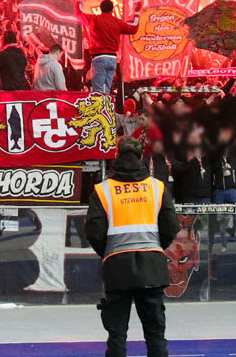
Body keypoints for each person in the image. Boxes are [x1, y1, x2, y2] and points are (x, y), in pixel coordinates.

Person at [85, 137, 178, 357]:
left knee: (117, 334)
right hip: (152, 266)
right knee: (155, 333)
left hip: (117, 266)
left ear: (117, 155)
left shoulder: (102, 190)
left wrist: (109, 253)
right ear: (141, 156)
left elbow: (94, 232)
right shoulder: (157, 187)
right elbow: (171, 226)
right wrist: (155, 246)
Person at [86, 0, 138, 95]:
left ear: (100, 8)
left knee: (98, 91)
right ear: (112, 10)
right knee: (106, 90)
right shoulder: (117, 22)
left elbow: (78, 14)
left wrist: (78, 3)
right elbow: (133, 28)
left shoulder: (94, 19)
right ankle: (107, 108)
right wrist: (137, 14)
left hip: (99, 58)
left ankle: (100, 109)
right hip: (112, 59)